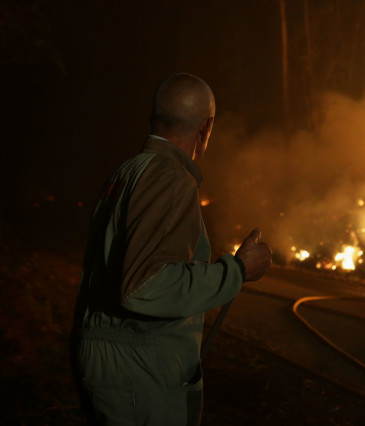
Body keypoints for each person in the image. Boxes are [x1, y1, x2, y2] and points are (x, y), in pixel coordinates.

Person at [69, 72, 272, 425]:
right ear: (206, 127)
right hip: (141, 369)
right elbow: (145, 286)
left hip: (110, 360)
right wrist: (237, 272)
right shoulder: (170, 176)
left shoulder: (128, 171)